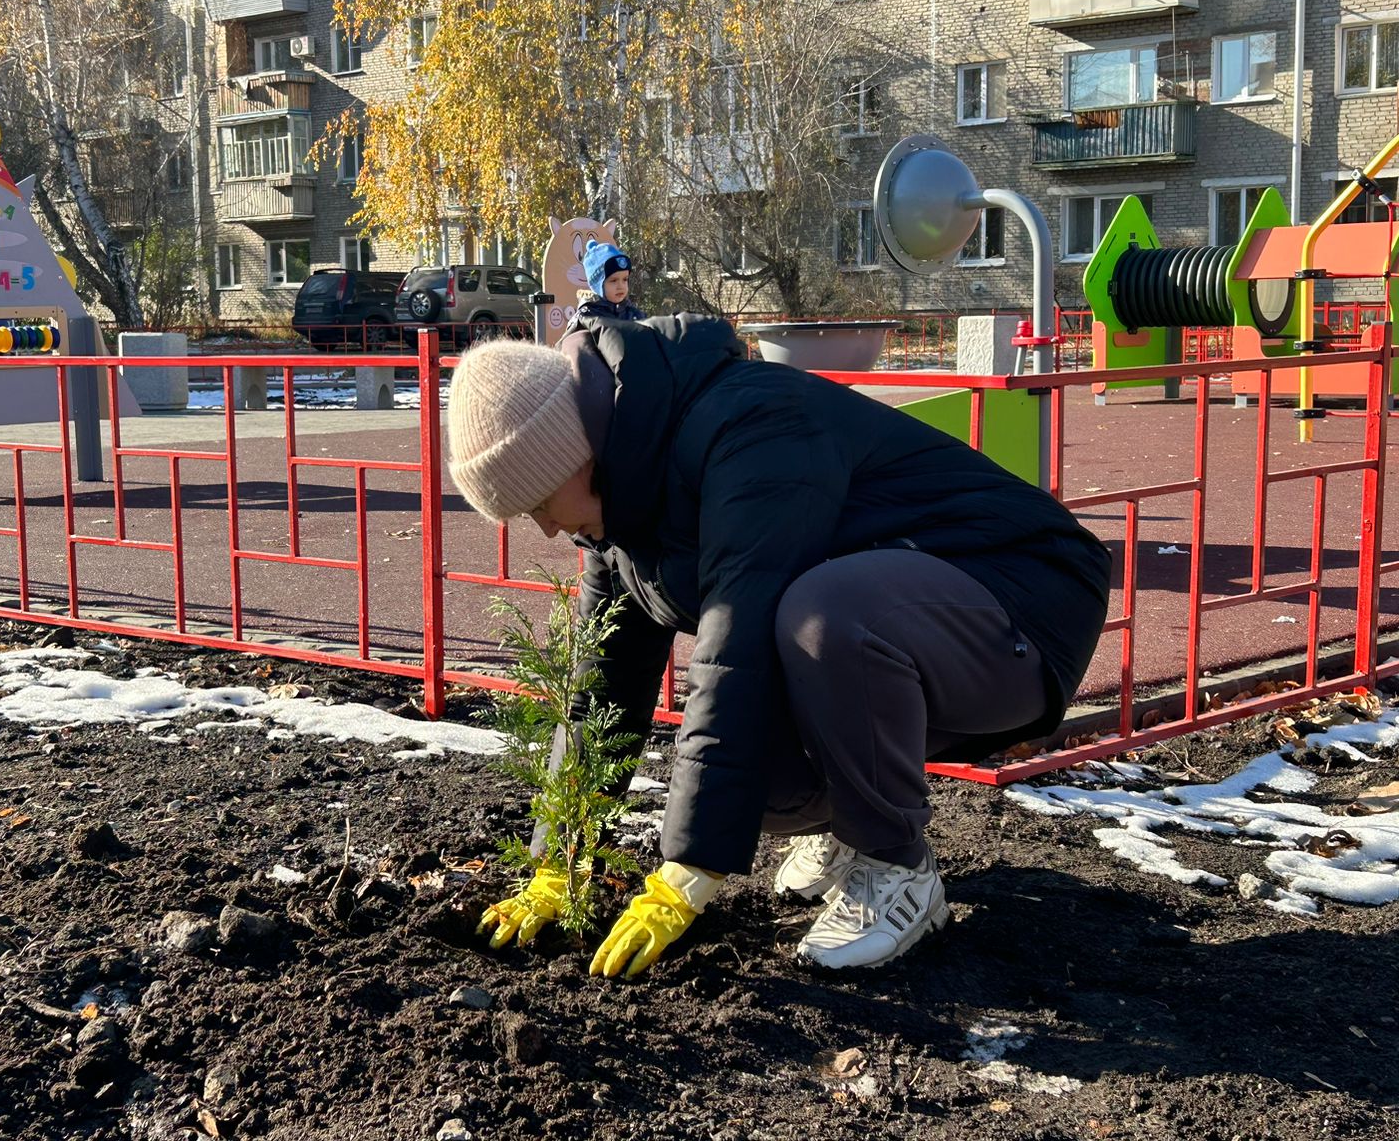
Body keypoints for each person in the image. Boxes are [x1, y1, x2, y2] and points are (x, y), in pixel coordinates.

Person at [451, 314, 1110, 978]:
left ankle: (897, 870)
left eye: (537, 500)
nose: (542, 529)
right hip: (904, 620)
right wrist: (561, 858)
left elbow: (735, 640)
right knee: (741, 788)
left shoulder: (750, 426)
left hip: (1019, 602)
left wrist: (687, 873)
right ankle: (849, 831)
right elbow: (605, 680)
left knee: (821, 616)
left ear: (576, 452)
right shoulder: (620, 512)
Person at [565, 239, 647, 330]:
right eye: (613, 280)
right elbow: (573, 342)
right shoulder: (586, 318)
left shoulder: (634, 315)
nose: (621, 286)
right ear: (597, 286)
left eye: (625, 279)